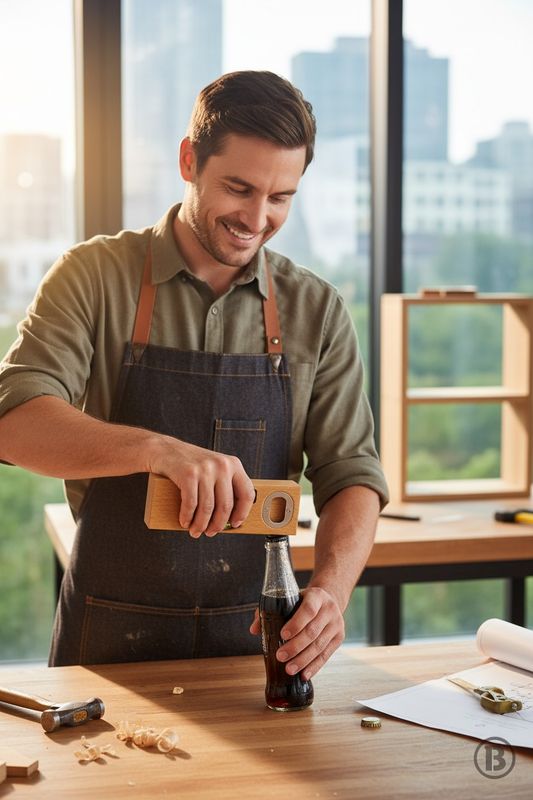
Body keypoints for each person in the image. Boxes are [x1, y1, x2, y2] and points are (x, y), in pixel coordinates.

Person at [0, 71, 388, 675]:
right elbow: (14, 423)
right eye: (239, 188)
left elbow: (353, 474)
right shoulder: (91, 276)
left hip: (260, 642)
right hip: (108, 638)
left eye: (281, 197)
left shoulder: (318, 310)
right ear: (189, 160)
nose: (257, 217)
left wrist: (331, 593)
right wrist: (159, 451)